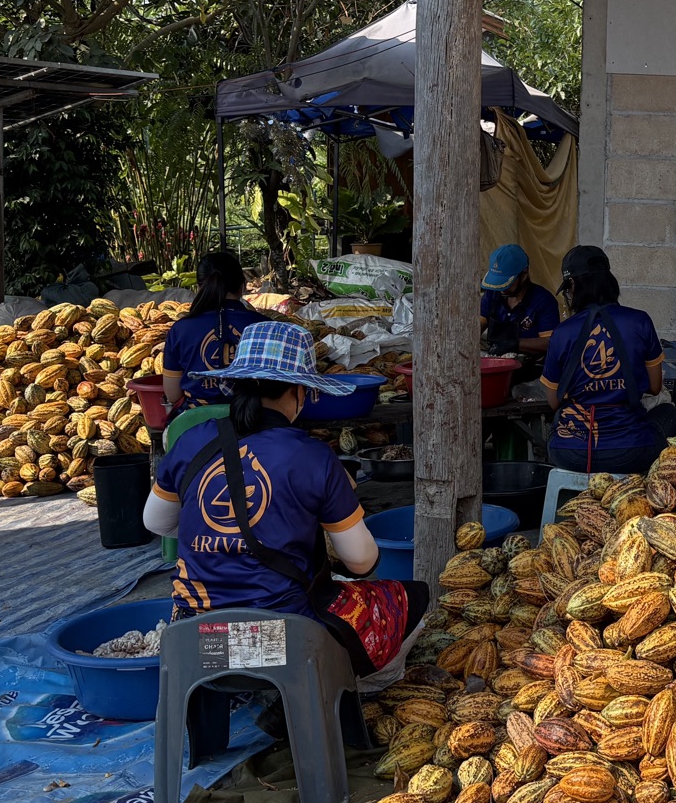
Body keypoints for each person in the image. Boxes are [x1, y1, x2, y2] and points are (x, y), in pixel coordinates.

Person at [142, 321, 415, 681]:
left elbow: (156, 523)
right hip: (282, 642)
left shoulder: (192, 441)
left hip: (195, 639)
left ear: (236, 384)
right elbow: (361, 562)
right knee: (409, 598)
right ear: (299, 392)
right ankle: (330, 698)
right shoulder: (313, 456)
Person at [541, 245, 676, 473]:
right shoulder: (640, 321)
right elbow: (655, 388)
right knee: (670, 415)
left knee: (559, 418)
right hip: (630, 452)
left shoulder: (562, 332)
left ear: (573, 286)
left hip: (571, 453)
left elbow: (553, 401)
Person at [160, 250, 272, 415]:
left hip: (197, 426)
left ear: (199, 287)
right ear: (242, 285)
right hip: (255, 426)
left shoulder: (180, 330)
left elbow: (173, 394)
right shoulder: (265, 326)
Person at [478, 243, 559, 356]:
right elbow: (478, 326)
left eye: (506, 284)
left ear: (524, 274)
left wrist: (514, 344)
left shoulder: (543, 301)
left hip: (530, 367)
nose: (502, 289)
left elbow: (550, 342)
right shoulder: (492, 294)